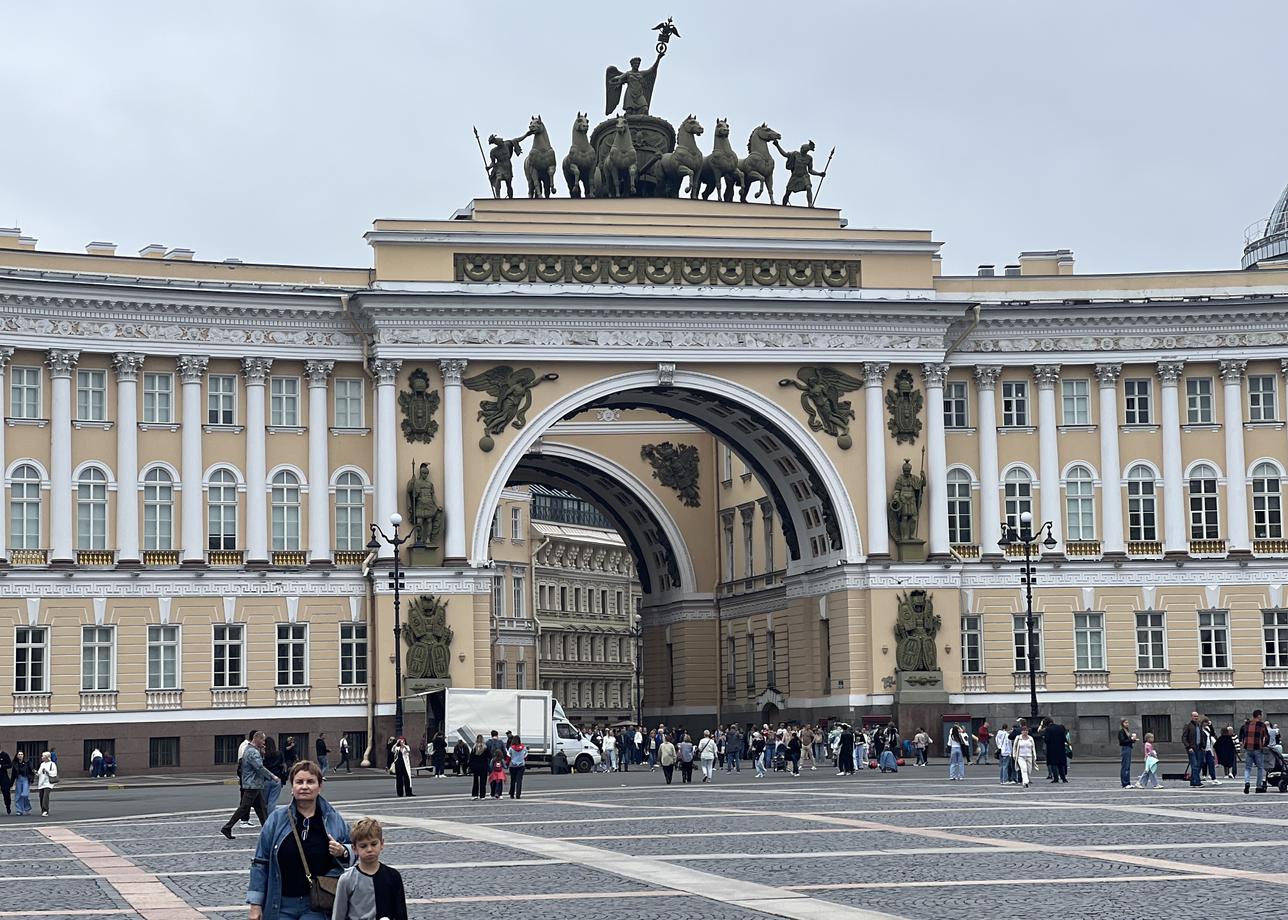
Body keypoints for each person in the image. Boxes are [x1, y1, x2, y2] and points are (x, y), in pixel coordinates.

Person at [245, 760, 352, 920]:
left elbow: (356, 851)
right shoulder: (276, 820)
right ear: (292, 787)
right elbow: (261, 862)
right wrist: (255, 905)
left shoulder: (333, 819)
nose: (304, 786)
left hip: (317, 904)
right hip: (280, 904)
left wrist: (343, 851)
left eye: (310, 782)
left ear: (320, 786)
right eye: (299, 782)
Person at [332, 817, 407, 920]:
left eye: (373, 844)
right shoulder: (346, 880)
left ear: (382, 844)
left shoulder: (393, 876)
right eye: (363, 846)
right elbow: (338, 915)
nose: (369, 849)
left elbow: (401, 913)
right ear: (354, 849)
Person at [222, 731, 275, 839]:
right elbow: (259, 767)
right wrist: (272, 776)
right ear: (257, 739)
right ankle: (227, 827)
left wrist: (262, 752)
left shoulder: (250, 750)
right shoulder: (253, 752)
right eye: (263, 740)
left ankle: (268, 830)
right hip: (253, 784)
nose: (264, 742)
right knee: (244, 807)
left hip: (254, 784)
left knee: (261, 808)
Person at [1241, 709, 1271, 794]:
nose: (1262, 717)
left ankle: (1247, 783)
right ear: (1258, 716)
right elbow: (1266, 737)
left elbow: (1244, 736)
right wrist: (1265, 745)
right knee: (1260, 768)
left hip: (1248, 748)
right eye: (1261, 715)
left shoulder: (1247, 724)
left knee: (1247, 768)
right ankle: (1258, 786)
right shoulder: (1261, 725)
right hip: (1258, 748)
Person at [263, 736, 288, 812]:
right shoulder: (279, 753)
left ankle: (265, 818)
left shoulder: (264, 754)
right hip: (277, 779)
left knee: (265, 801)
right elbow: (283, 765)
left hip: (266, 779)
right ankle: (271, 818)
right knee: (273, 801)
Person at [1182, 711, 1205, 788]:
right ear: (1191, 717)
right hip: (1191, 749)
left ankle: (1193, 781)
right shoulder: (1188, 726)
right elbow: (1184, 737)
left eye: (1197, 716)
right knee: (1194, 765)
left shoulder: (1198, 726)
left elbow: (1201, 736)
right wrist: (1188, 747)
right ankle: (1197, 782)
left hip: (1198, 748)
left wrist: (1202, 746)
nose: (1196, 718)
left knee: (1198, 765)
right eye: (1195, 716)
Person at [1044, 719, 1069, 783]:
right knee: (1061, 764)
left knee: (1054, 764)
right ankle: (1064, 778)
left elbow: (1047, 739)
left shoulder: (1048, 729)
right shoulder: (1060, 727)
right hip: (1061, 748)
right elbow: (1064, 738)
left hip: (1052, 749)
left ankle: (1056, 778)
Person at [36, 750, 57, 816]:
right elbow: (39, 773)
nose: (42, 757)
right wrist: (36, 772)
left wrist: (47, 771)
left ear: (47, 757)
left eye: (43, 756)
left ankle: (45, 810)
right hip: (41, 783)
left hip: (48, 783)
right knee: (41, 796)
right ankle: (43, 810)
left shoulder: (52, 764)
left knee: (45, 796)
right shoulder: (42, 764)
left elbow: (54, 773)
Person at [12, 751, 32, 816]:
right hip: (18, 779)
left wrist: (31, 779)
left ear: (23, 755)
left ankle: (27, 808)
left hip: (25, 779)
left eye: (21, 754)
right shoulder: (15, 763)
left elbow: (31, 770)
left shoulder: (27, 762)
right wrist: (11, 783)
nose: (20, 755)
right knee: (18, 795)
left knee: (24, 794)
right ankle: (19, 810)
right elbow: (13, 774)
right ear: (17, 756)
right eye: (19, 754)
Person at [1118, 719, 1136, 789]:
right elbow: (1122, 741)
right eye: (1125, 722)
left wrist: (1133, 740)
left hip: (1128, 747)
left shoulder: (1127, 730)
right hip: (1125, 748)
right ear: (1122, 723)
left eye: (1128, 722)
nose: (1127, 723)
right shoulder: (1121, 731)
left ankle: (1127, 783)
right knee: (1125, 766)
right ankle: (1125, 783)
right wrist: (1131, 740)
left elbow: (1127, 740)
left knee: (1127, 766)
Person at [1201, 719, 1220, 784]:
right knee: (1202, 764)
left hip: (1208, 749)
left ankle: (1214, 778)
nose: (1206, 723)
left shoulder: (1207, 729)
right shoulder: (1200, 729)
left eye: (1207, 722)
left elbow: (1212, 733)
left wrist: (1211, 725)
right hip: (1203, 749)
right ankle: (1199, 776)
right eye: (1205, 722)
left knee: (1211, 763)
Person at [0, 748, 11, 815]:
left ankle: (8, 806)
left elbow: (9, 765)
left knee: (6, 792)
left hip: (3, 776)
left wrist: (2, 766)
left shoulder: (4, 755)